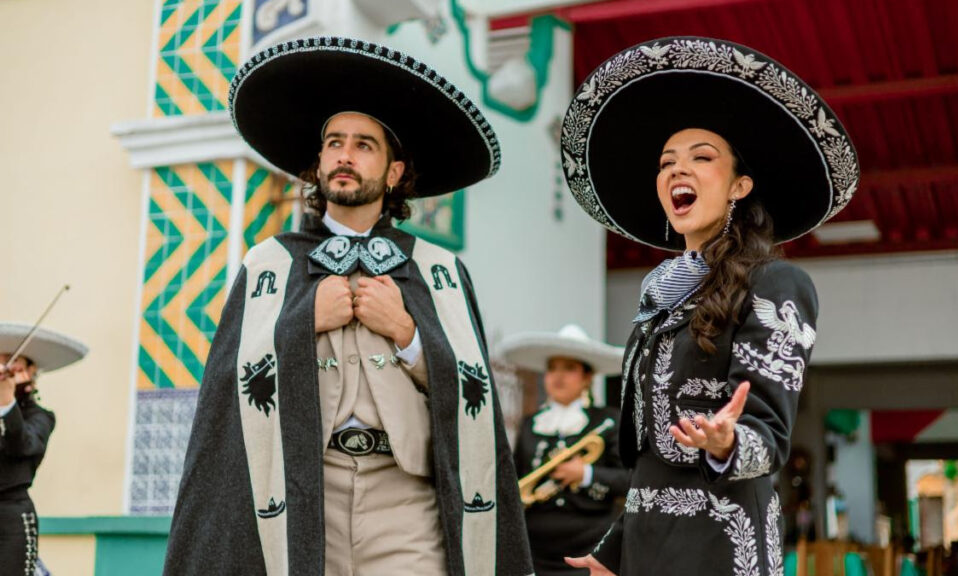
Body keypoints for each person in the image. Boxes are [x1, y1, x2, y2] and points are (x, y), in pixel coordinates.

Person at [164, 37, 531, 576]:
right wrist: (303, 321)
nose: (344, 155)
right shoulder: (270, 266)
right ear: (317, 165)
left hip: (406, 501)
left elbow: (474, 391)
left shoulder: (438, 270)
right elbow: (226, 391)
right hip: (303, 495)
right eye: (334, 143)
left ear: (394, 173)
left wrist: (407, 334)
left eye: (364, 145)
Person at [559, 36, 859, 575]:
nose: (678, 169)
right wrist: (616, 548)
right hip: (646, 542)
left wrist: (727, 441)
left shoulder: (778, 285)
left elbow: (768, 436)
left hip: (723, 540)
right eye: (666, 162)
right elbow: (650, 454)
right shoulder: (659, 298)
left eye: (702, 157)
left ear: (739, 185)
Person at [500, 325, 630, 575]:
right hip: (536, 548)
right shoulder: (531, 423)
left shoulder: (607, 422)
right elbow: (516, 477)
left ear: (586, 378)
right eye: (552, 369)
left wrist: (586, 474)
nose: (558, 376)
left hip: (591, 544)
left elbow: (629, 480)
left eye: (569, 369)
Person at [0, 323, 88, 575]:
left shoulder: (41, 417)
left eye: (15, 365)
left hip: (11, 523)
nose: (7, 369)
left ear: (31, 372)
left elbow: (21, 445)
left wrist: (7, 403)